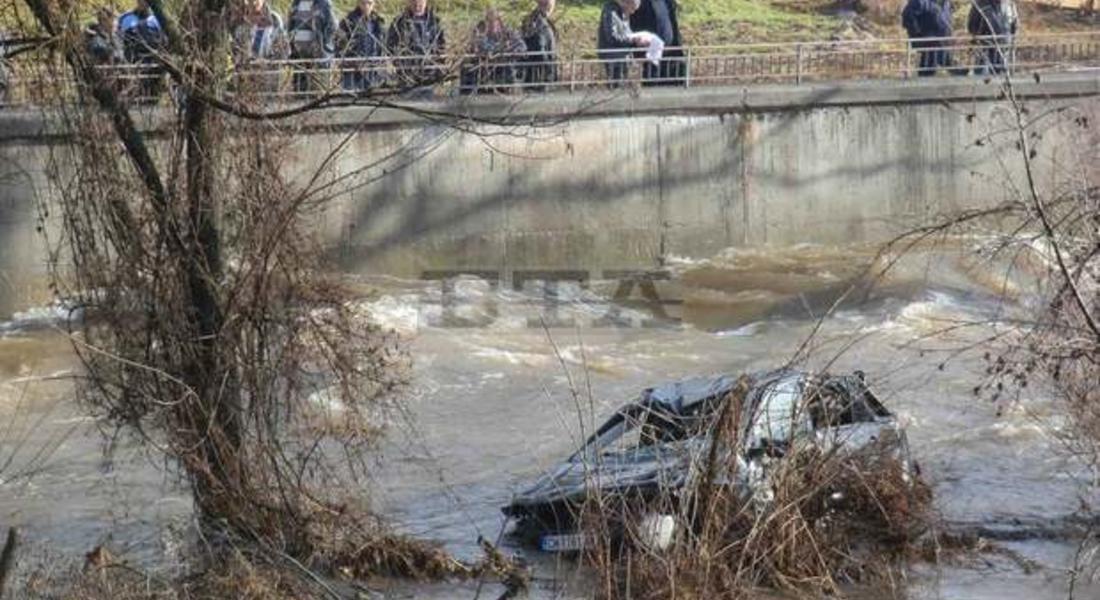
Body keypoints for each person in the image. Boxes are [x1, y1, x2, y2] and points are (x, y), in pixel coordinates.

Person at [460, 8, 525, 94]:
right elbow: (475, 47)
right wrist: (484, 51)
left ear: (499, 22)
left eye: (494, 21)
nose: (491, 25)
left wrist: (510, 51)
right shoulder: (480, 33)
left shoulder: (508, 32)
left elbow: (522, 47)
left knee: (508, 68)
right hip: (484, 72)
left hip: (504, 72)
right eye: (489, 21)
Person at [231, 0, 289, 94]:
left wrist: (267, 62)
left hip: (269, 78)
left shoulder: (275, 20)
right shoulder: (240, 21)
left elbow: (284, 51)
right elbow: (235, 50)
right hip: (245, 80)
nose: (253, 3)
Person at [387, 0, 446, 89]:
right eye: (413, 0)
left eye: (420, 1)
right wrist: (398, 65)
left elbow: (442, 47)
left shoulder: (435, 23)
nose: (417, 3)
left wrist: (439, 69)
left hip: (430, 76)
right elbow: (390, 47)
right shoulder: (399, 23)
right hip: (406, 76)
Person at [117, 0, 165, 102]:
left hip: (153, 61)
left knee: (153, 86)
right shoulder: (126, 18)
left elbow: (162, 40)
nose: (143, 3)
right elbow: (119, 40)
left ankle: (152, 99)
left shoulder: (157, 19)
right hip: (133, 60)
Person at [286, 0, 337, 95]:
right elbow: (290, 25)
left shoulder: (324, 4)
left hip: (318, 58)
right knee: (299, 95)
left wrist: (323, 45)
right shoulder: (296, 4)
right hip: (299, 57)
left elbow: (332, 28)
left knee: (318, 94)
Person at [630, 0, 684, 85]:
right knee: (653, 89)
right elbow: (633, 26)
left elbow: (673, 24)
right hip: (651, 56)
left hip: (672, 55)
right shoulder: (640, 3)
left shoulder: (667, 2)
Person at [337, 0, 387, 92]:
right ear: (358, 3)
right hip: (352, 71)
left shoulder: (379, 22)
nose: (366, 6)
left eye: (369, 3)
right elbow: (340, 46)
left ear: (374, 4)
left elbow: (384, 46)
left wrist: (380, 63)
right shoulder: (348, 22)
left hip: (374, 71)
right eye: (363, 3)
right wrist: (352, 63)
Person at [597, 0, 648, 86]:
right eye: (632, 9)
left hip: (623, 55)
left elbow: (626, 31)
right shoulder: (611, 11)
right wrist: (632, 40)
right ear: (627, 3)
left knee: (622, 82)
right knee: (616, 84)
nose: (633, 12)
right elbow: (612, 36)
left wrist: (636, 38)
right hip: (613, 55)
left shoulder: (623, 12)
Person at [901, 0, 953, 76]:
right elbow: (907, 16)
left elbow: (946, 19)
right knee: (928, 67)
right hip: (928, 41)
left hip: (944, 40)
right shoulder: (920, 1)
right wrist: (918, 33)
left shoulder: (946, 3)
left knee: (947, 63)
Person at [968, 0, 1017, 75]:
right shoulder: (980, 5)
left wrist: (1012, 37)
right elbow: (972, 26)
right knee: (983, 76)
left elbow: (1014, 25)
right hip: (985, 48)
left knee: (1003, 75)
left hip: (1004, 48)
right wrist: (980, 38)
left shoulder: (1009, 5)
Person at [520, 0, 558, 90]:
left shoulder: (543, 21)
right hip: (537, 52)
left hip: (540, 51)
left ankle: (547, 81)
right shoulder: (537, 20)